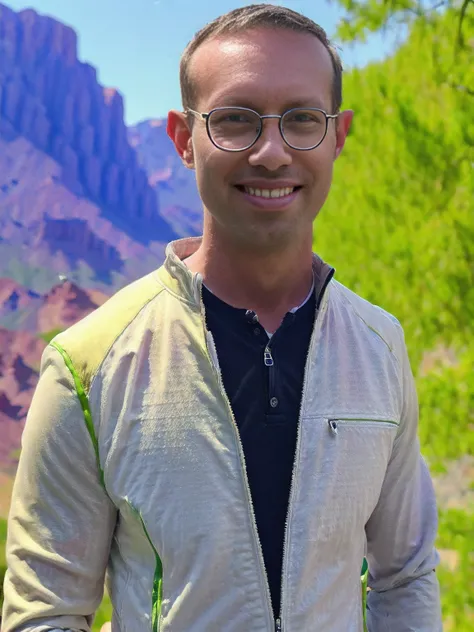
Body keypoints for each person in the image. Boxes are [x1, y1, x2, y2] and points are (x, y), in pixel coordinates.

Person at [2, 4, 442, 632]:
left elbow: (406, 576)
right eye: (235, 120)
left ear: (338, 136)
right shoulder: (89, 363)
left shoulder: (379, 346)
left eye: (302, 120)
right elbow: (44, 613)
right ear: (184, 139)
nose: (270, 152)